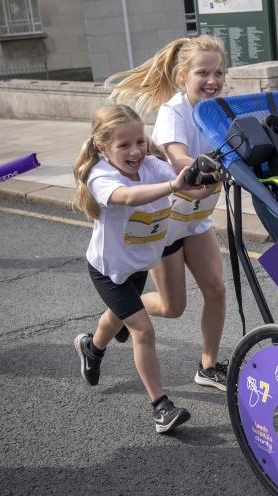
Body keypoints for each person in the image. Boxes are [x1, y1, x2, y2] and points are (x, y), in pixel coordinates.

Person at [72, 104, 215, 433]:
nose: (135, 151)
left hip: (139, 265)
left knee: (117, 316)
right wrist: (173, 187)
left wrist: (207, 179)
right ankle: (161, 407)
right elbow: (127, 197)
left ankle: (91, 348)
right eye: (124, 145)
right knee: (143, 331)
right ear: (101, 146)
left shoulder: (153, 166)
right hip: (107, 270)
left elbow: (190, 187)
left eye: (139, 141)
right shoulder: (101, 175)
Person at [104, 36, 228, 392]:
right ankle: (111, 324)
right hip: (167, 224)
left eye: (219, 72)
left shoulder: (218, 109)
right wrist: (199, 170)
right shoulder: (175, 111)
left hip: (197, 218)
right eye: (203, 72)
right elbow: (179, 158)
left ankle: (208, 365)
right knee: (172, 307)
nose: (212, 80)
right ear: (182, 76)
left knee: (216, 289)